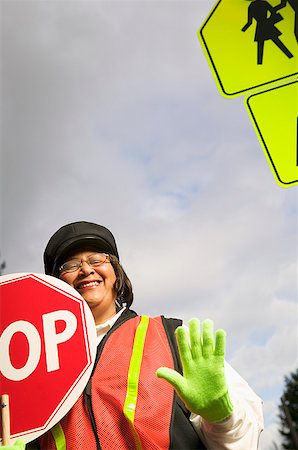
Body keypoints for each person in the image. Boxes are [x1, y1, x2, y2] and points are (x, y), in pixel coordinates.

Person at [3, 221, 264, 450]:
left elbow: (244, 440)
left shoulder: (172, 337)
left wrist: (221, 417)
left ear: (116, 272)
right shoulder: (29, 370)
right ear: (55, 282)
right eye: (70, 264)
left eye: (97, 259)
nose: (86, 270)